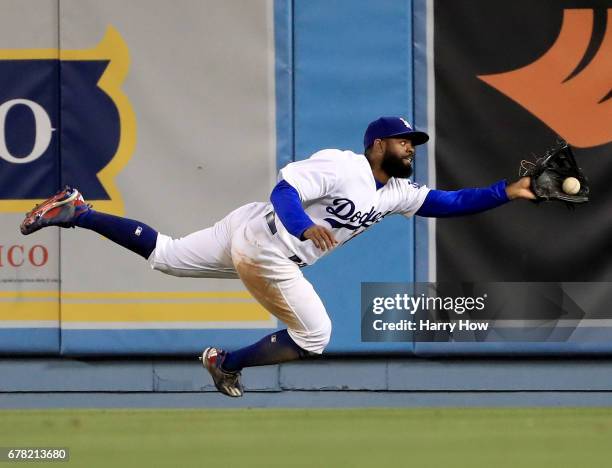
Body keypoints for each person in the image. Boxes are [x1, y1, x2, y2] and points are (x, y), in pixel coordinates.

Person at [20, 116, 536, 397]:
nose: (411, 149)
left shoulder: (392, 193)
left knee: (169, 256)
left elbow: (449, 202)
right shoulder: (344, 166)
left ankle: (79, 211)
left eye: (414, 143)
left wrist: (508, 191)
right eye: (404, 142)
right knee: (316, 336)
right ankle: (225, 362)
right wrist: (305, 225)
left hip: (250, 230)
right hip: (270, 244)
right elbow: (285, 190)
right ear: (378, 144)